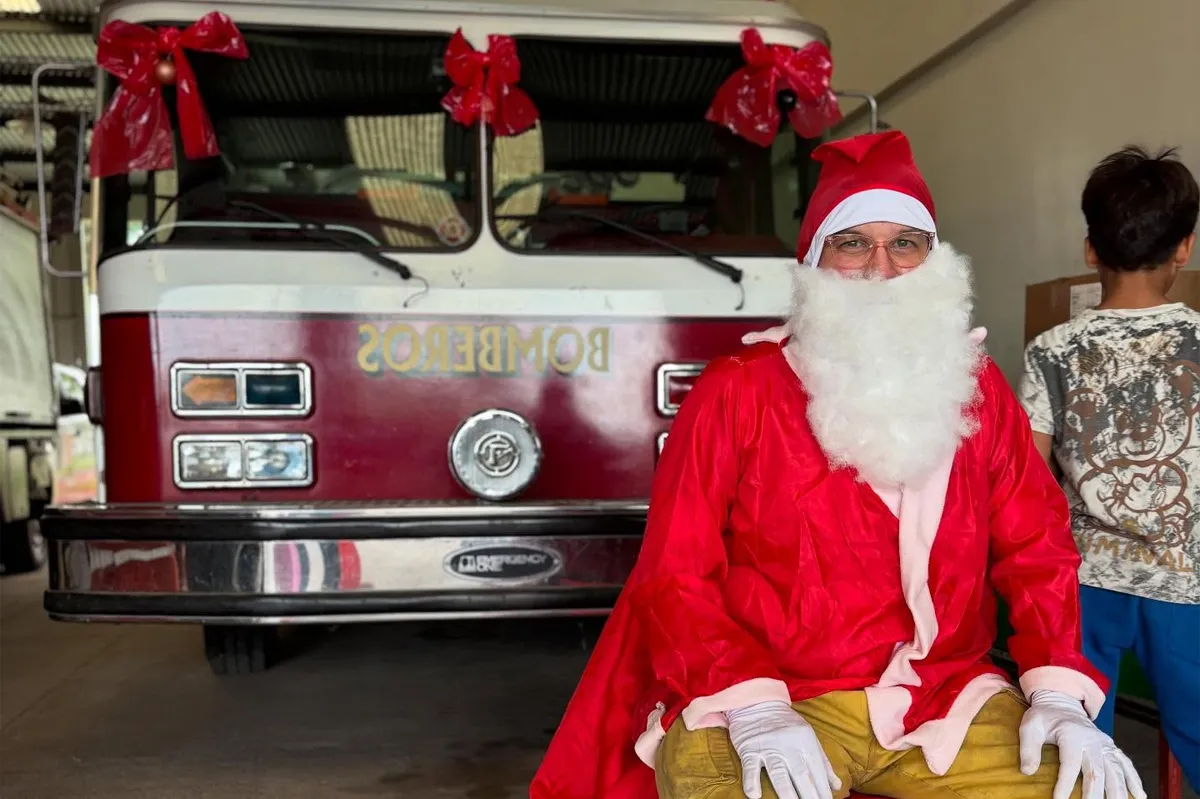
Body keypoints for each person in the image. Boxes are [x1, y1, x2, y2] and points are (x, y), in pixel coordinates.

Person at [531, 130, 1146, 799]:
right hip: (771, 694)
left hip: (942, 697)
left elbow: (1036, 546)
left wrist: (1055, 688)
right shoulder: (738, 389)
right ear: (816, 262)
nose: (882, 267)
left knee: (1086, 787)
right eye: (853, 243)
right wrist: (753, 703)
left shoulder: (979, 389)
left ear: (933, 260)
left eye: (905, 243)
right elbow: (676, 571)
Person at [1019, 145, 1199, 791]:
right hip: (1187, 582)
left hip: (1081, 580)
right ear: (1184, 248)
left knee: (1074, 742)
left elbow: (1028, 479)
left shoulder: (1051, 351)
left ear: (1091, 249)